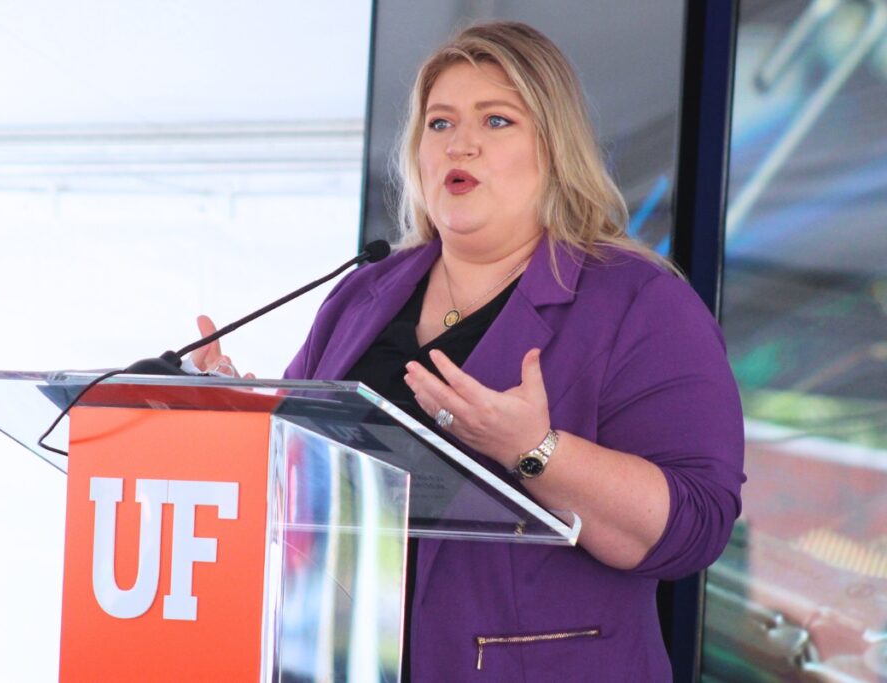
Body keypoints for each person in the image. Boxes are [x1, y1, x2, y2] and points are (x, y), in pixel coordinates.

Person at [195, 21, 744, 682]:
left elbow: (697, 524)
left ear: (555, 148)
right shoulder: (361, 294)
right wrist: (242, 419)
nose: (461, 143)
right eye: (441, 123)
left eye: (497, 120)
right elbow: (302, 485)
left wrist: (535, 450)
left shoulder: (640, 301)